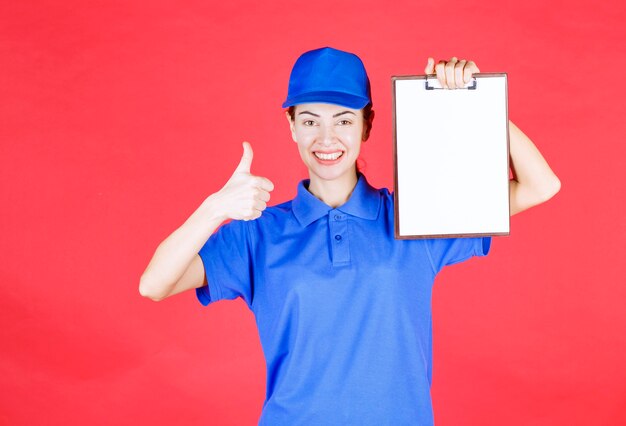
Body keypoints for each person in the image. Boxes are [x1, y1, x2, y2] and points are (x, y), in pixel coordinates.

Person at [139, 47, 560, 425]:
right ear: (291, 126)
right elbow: (155, 284)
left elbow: (540, 186)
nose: (326, 139)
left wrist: (476, 101)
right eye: (309, 121)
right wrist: (214, 208)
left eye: (343, 120)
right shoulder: (258, 233)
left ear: (366, 126)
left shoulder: (414, 217)